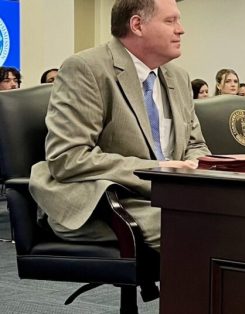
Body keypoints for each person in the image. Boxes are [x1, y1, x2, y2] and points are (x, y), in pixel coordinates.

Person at [29, 0, 211, 252]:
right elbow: (68, 158)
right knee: (203, 229)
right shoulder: (86, 69)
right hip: (106, 200)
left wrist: (195, 167)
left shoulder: (178, 77)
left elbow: (195, 144)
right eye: (170, 21)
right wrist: (157, 169)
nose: (181, 29)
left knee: (243, 220)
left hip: (168, 197)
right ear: (137, 25)